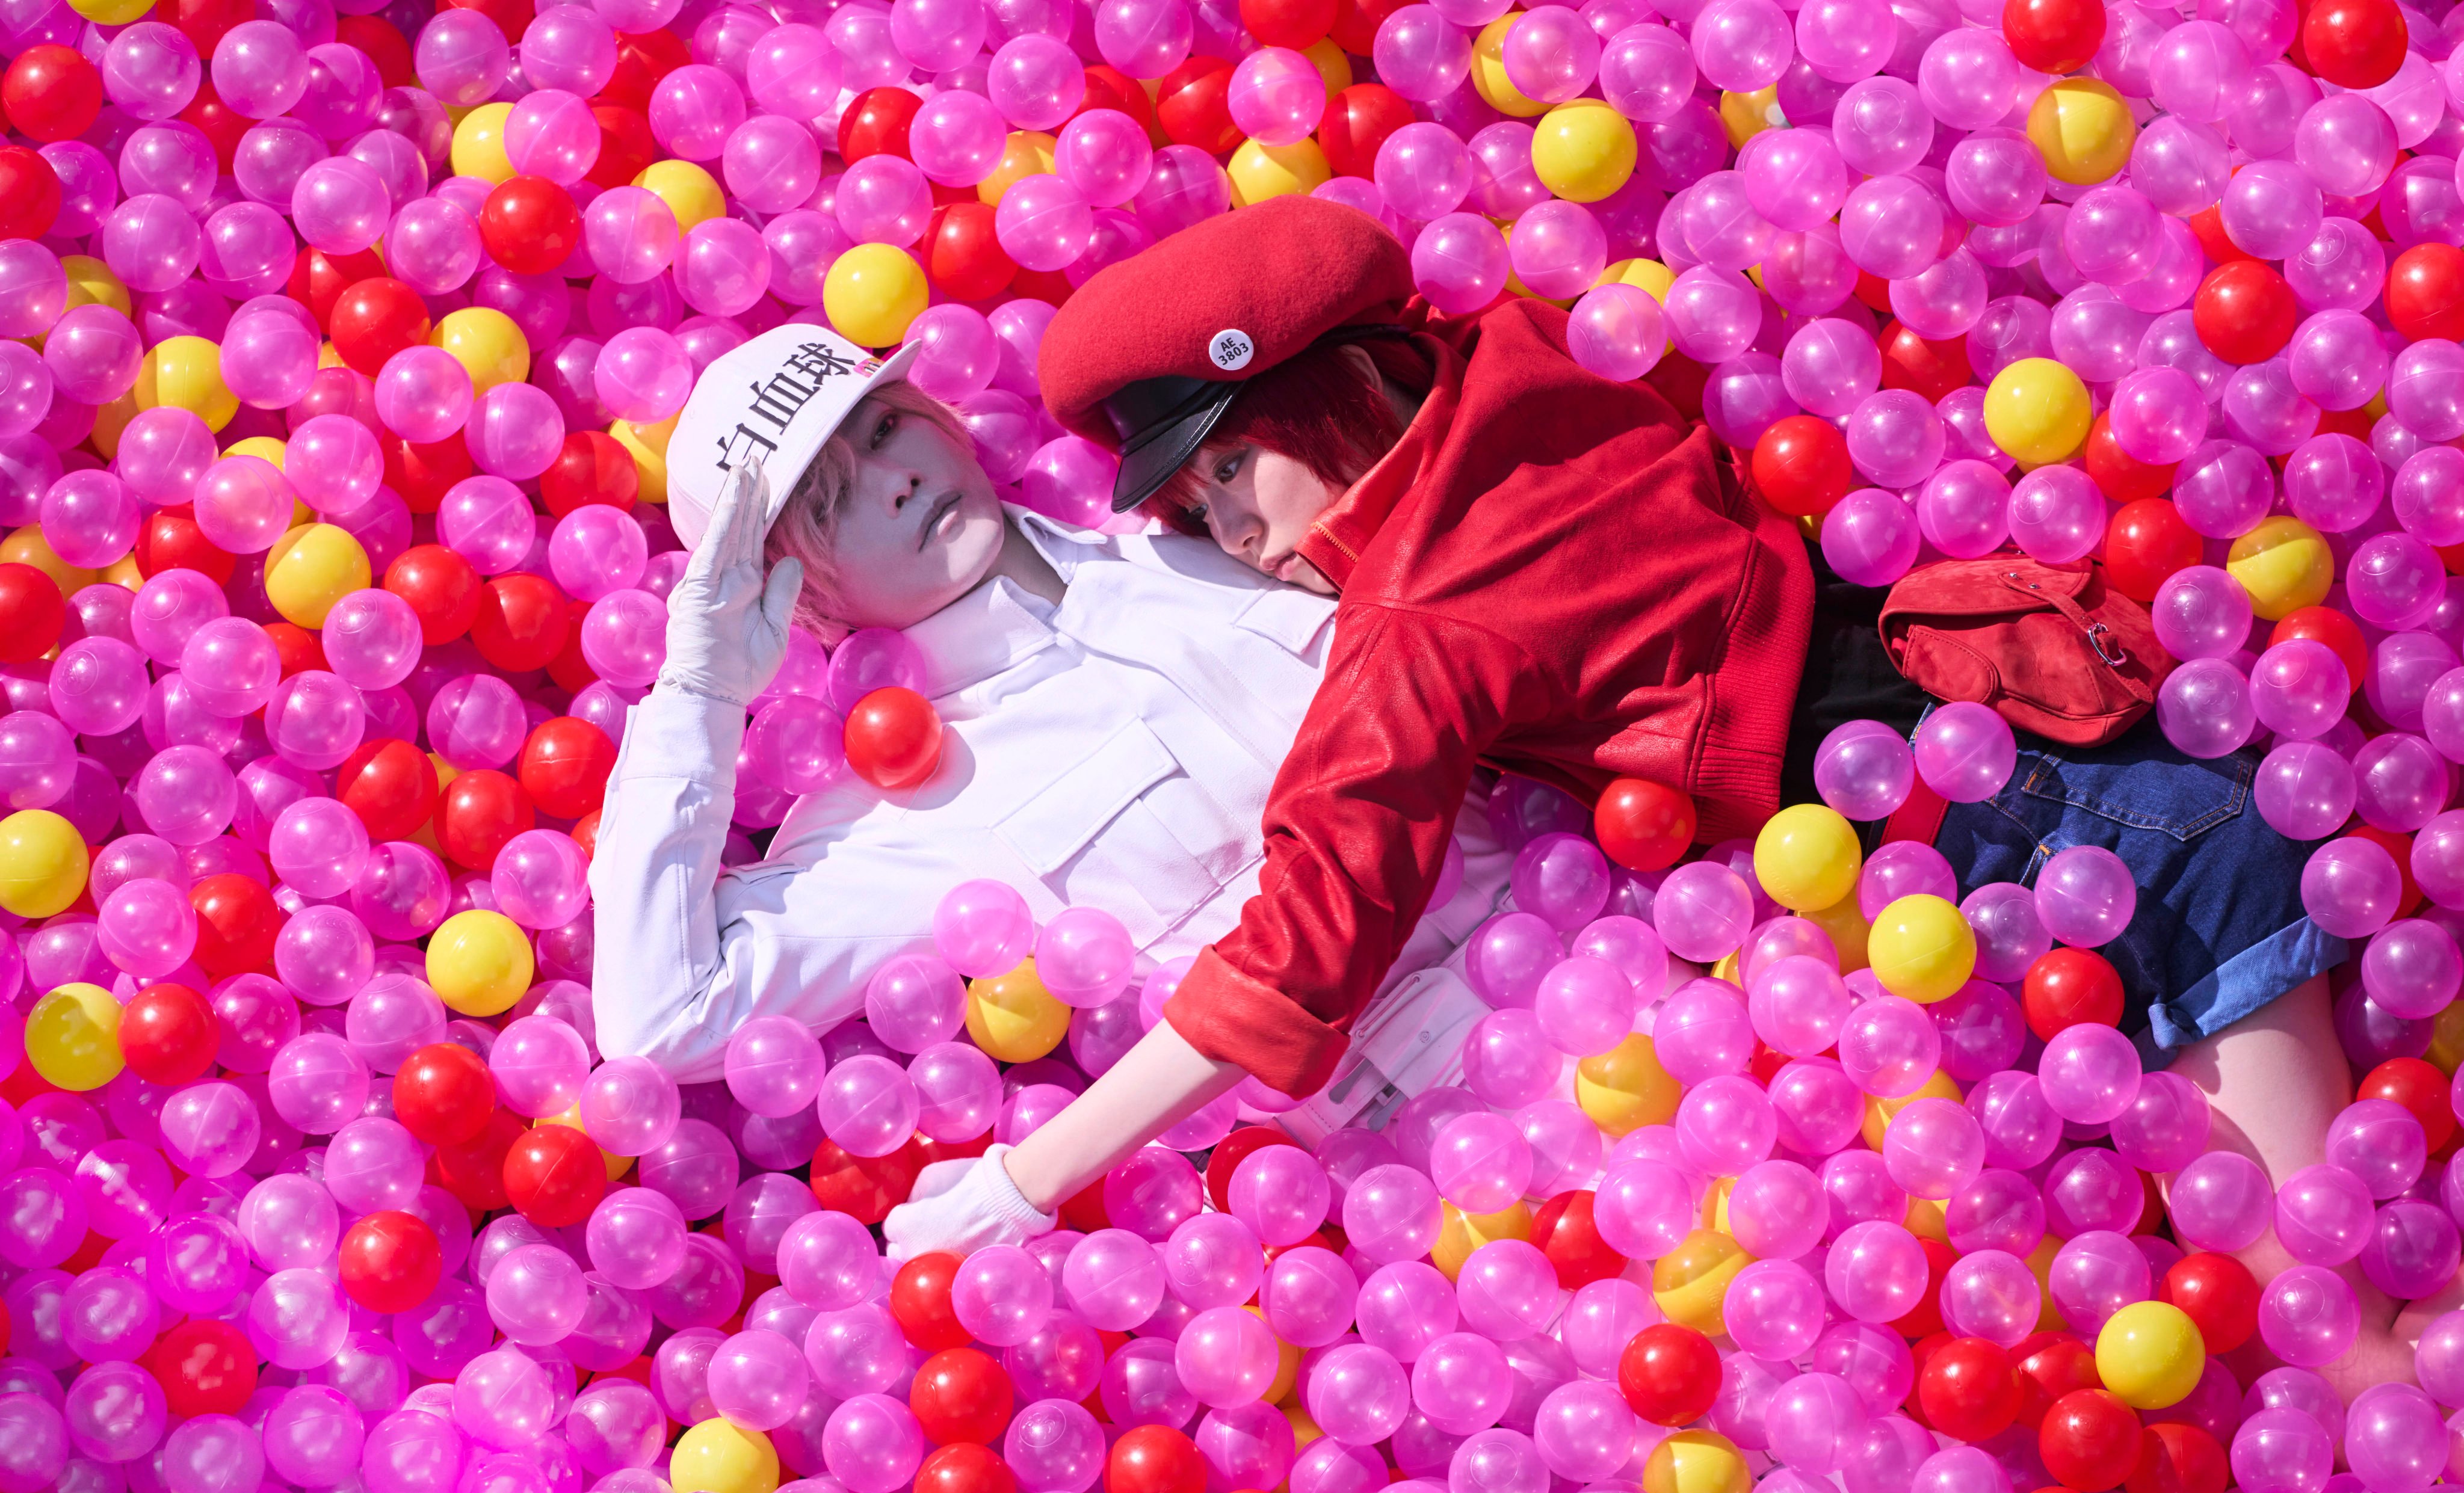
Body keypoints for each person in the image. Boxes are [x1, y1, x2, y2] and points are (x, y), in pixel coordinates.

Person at [886, 195, 2372, 1344]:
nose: (1240, 540)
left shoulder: (1412, 626)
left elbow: (1302, 946)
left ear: (1319, 396)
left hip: (2036, 841)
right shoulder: (1517, 362)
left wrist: (1017, 1185)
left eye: (1230, 473)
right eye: (1194, 515)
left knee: (2337, 1343)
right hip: (2034, 702)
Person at [589, 323, 1516, 1250]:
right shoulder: (890, 821)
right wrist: (699, 689)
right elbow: (665, 1014)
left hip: (1628, 925)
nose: (894, 482)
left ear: (938, 418)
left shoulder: (1205, 514)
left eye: (879, 432)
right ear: (803, 598)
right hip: (1447, 1177)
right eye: (831, 505)